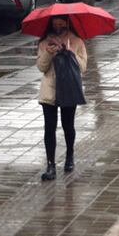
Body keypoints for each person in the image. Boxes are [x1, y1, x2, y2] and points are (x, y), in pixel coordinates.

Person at [36, 15, 87, 181]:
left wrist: (71, 51)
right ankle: (50, 165)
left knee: (68, 126)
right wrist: (48, 54)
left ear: (67, 22)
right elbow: (41, 68)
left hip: (69, 89)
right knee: (49, 128)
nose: (58, 26)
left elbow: (83, 67)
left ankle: (70, 156)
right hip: (49, 91)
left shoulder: (77, 41)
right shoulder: (44, 42)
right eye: (55, 23)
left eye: (61, 23)